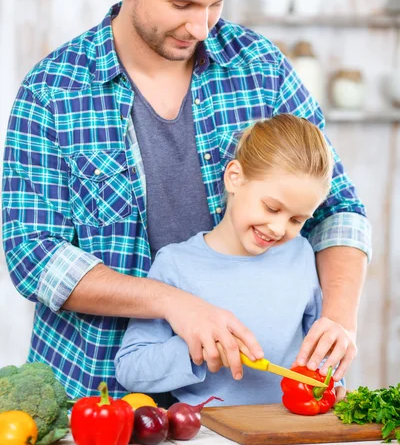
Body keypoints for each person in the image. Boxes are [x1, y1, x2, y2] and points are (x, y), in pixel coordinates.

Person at [2, 0, 370, 400]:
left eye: (215, 4)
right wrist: (173, 301)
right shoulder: (54, 89)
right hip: (101, 391)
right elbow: (33, 255)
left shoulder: (259, 66)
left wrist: (339, 319)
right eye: (181, 3)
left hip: (248, 404)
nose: (200, 25)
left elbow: (339, 210)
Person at [115, 114, 346, 405]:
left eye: (297, 219)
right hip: (208, 441)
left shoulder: (301, 255)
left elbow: (324, 353)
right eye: (272, 208)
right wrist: (194, 350)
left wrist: (334, 379)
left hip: (292, 434)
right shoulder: (175, 265)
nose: (278, 228)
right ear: (234, 177)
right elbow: (130, 369)